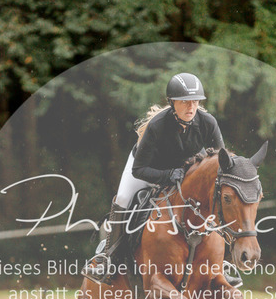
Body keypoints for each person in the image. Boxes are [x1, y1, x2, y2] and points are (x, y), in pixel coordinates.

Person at [82, 72, 224, 284]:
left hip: (183, 171)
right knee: (123, 198)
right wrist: (167, 175)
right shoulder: (157, 125)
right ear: (172, 102)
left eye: (195, 101)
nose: (191, 107)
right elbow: (139, 170)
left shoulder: (208, 122)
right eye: (184, 102)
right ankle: (107, 258)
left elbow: (221, 162)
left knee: (214, 197)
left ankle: (222, 264)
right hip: (148, 167)